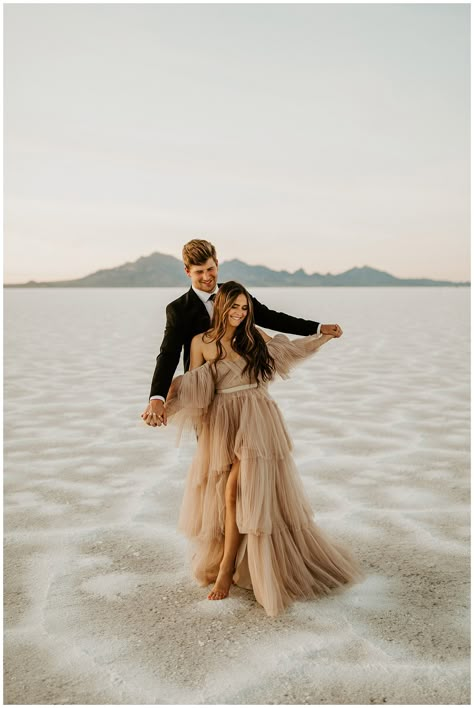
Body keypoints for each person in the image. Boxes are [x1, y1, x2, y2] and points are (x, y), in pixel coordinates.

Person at [162, 281, 364, 618]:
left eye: (245, 308)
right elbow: (193, 389)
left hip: (257, 418)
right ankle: (241, 564)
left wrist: (321, 335)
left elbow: (290, 352)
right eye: (235, 307)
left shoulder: (253, 335)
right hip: (223, 422)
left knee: (235, 491)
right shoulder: (202, 343)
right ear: (222, 307)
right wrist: (160, 405)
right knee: (227, 496)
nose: (240, 313)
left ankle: (227, 570)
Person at [141, 239, 343, 428]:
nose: (207, 277)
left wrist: (317, 328)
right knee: (215, 463)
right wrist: (157, 398)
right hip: (205, 399)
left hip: (244, 394)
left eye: (210, 269)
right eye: (199, 271)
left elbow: (271, 317)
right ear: (188, 272)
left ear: (217, 264)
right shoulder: (178, 310)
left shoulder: (234, 295)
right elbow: (168, 355)